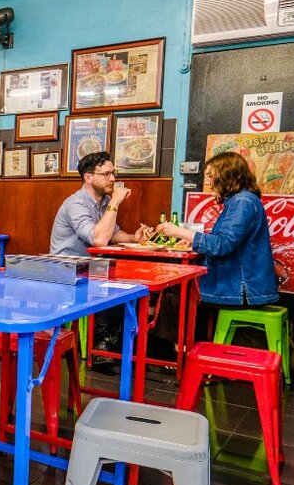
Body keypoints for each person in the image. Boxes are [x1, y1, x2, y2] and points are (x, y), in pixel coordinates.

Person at [157, 151, 279, 348]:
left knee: (173, 292)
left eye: (211, 176)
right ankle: (190, 348)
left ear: (227, 176)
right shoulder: (242, 200)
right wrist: (193, 242)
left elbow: (222, 245)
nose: (209, 182)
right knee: (178, 289)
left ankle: (175, 355)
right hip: (240, 285)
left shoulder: (242, 202)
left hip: (242, 289)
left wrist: (180, 232)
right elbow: (225, 242)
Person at [49, 151, 150, 369]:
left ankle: (120, 347)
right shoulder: (76, 203)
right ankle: (102, 348)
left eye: (114, 173)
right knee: (109, 285)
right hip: (65, 271)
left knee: (129, 286)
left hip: (89, 268)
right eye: (107, 174)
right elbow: (100, 239)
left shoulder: (102, 202)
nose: (113, 179)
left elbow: (112, 232)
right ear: (88, 177)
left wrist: (133, 238)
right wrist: (115, 201)